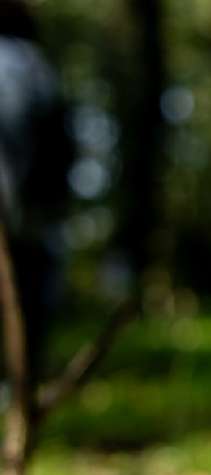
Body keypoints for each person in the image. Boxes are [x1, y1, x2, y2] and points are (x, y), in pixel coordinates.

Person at [0, 0, 72, 377]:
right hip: (28, 220)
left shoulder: (25, 66)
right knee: (27, 319)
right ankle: (18, 399)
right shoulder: (32, 66)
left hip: (22, 216)